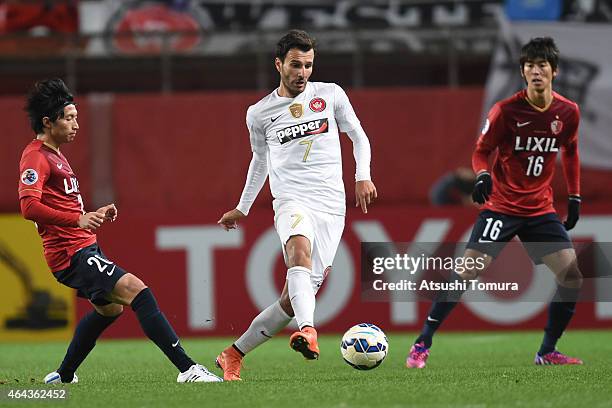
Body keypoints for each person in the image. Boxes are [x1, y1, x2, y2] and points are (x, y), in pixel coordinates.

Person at [19, 78, 222, 383]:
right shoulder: (35, 157)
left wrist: (93, 215)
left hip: (84, 247)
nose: (76, 124)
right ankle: (188, 369)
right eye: (69, 118)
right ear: (48, 122)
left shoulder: (55, 153)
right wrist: (77, 221)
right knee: (139, 292)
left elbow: (62, 205)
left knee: (110, 310)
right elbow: (28, 208)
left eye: (77, 117)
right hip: (71, 254)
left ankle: (63, 376)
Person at [406, 37, 583, 368]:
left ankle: (547, 351)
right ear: (522, 71)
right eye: (529, 66)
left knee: (572, 276)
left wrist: (574, 195)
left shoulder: (568, 111)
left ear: (554, 72)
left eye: (542, 65)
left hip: (540, 209)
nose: (535, 71)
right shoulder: (506, 110)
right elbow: (480, 150)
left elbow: (570, 151)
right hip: (501, 206)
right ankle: (422, 343)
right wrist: (483, 175)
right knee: (466, 272)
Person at [215, 29, 377, 381]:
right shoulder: (259, 113)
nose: (302, 72)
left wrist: (362, 175)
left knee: (290, 299)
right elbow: (259, 161)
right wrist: (243, 207)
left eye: (308, 65)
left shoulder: (330, 94)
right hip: (291, 200)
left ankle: (232, 354)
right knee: (298, 252)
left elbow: (358, 136)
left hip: (331, 206)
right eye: (295, 65)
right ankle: (309, 331)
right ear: (279, 64)